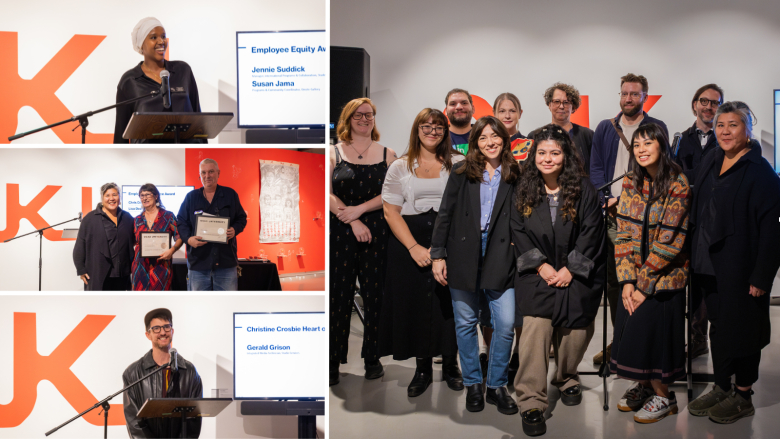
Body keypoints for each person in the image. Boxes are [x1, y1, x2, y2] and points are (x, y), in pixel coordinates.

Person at [687, 101, 780, 424]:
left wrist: (761, 277)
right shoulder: (712, 159)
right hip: (707, 264)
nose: (725, 131)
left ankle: (743, 394)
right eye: (721, 125)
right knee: (719, 330)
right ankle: (722, 385)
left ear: (747, 129)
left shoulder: (760, 172)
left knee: (744, 331)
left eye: (733, 125)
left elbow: (772, 232)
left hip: (742, 270)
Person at [511, 125, 605, 436]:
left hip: (575, 271)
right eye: (542, 153)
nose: (548, 158)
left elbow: (593, 232)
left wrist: (571, 269)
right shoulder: (523, 189)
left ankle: (566, 377)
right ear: (533, 155)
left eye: (555, 152)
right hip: (536, 272)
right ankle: (531, 399)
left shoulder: (584, 189)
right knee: (536, 327)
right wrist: (541, 267)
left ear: (565, 155)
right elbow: (518, 232)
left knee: (576, 330)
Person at [431, 116, 521, 415]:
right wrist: (438, 254)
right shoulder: (461, 171)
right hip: (462, 251)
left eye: (495, 136)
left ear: (504, 139)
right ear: (475, 143)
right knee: (465, 323)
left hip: (501, 252)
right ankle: (473, 383)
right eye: (483, 138)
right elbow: (445, 213)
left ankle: (496, 385)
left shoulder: (515, 172)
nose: (490, 142)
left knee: (505, 323)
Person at [379, 108, 464, 397]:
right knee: (414, 306)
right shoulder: (400, 166)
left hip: (450, 241)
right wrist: (414, 247)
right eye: (426, 126)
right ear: (417, 130)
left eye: (438, 127)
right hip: (409, 242)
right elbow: (390, 211)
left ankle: (451, 365)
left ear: (445, 131)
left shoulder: (460, 163)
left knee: (449, 307)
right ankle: (423, 368)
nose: (432, 131)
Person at [609, 124, 691, 424]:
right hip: (636, 278)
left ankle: (664, 396)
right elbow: (624, 235)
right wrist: (628, 281)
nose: (642, 149)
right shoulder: (631, 181)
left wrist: (644, 286)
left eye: (649, 143)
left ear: (662, 146)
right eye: (637, 144)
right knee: (631, 332)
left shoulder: (677, 183)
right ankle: (644, 387)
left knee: (653, 334)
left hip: (665, 278)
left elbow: (670, 240)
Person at [589, 73, 669, 364]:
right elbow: (596, 167)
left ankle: (641, 340)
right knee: (615, 279)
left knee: (643, 277)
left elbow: (663, 168)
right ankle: (619, 339)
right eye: (624, 93)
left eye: (634, 94)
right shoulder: (605, 128)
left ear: (645, 97)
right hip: (613, 215)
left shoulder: (656, 128)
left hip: (646, 216)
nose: (628, 99)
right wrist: (606, 199)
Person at [329, 98, 397, 386]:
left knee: (375, 298)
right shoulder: (333, 152)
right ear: (348, 118)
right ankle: (332, 362)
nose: (365, 118)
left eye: (369, 114)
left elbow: (393, 195)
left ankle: (373, 358)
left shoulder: (388, 153)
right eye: (358, 114)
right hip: (342, 232)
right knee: (338, 299)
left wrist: (361, 210)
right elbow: (325, 191)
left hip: (378, 233)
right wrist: (352, 218)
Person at [674, 83, 724, 359]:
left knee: (711, 283)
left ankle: (715, 340)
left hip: (715, 222)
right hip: (685, 220)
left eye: (714, 103)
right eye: (703, 101)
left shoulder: (725, 139)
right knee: (691, 281)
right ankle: (696, 339)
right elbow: (675, 176)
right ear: (695, 104)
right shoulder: (681, 139)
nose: (708, 107)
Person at [114, 17, 204, 144]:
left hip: (186, 152)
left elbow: (198, 119)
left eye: (163, 36)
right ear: (141, 45)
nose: (161, 41)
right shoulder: (129, 80)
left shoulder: (183, 70)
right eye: (153, 37)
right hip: (148, 158)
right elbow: (121, 134)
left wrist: (204, 152)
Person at [123, 308, 203, 438]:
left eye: (166, 327)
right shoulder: (133, 373)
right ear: (148, 335)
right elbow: (134, 422)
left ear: (172, 331)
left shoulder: (189, 371)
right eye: (156, 328)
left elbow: (193, 420)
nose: (162, 332)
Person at [177, 158, 247, 291]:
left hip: (226, 264)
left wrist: (235, 229)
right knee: (198, 306)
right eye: (203, 173)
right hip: (198, 264)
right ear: (200, 175)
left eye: (211, 172)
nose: (207, 176)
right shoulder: (191, 197)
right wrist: (188, 239)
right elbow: (181, 221)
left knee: (226, 305)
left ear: (218, 173)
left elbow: (242, 218)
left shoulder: (230, 194)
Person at [73, 182, 134, 291]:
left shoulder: (127, 217)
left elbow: (134, 241)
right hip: (98, 274)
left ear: (119, 197)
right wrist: (81, 269)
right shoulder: (90, 219)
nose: (111, 198)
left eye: (115, 194)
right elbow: (80, 245)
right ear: (102, 198)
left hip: (122, 275)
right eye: (107, 195)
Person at [528, 82, 594, 172]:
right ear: (549, 105)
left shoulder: (587, 135)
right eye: (557, 102)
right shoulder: (535, 136)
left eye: (566, 103)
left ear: (573, 107)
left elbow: (594, 169)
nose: (561, 106)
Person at [131, 184, 184, 291]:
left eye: (148, 195)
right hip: (140, 267)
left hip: (161, 267)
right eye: (141, 195)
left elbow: (179, 237)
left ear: (156, 196)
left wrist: (172, 251)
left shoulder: (168, 216)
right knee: (140, 301)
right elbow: (132, 242)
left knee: (161, 299)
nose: (144, 198)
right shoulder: (137, 219)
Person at [445, 88, 475, 154]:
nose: (459, 107)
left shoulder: (482, 135)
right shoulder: (439, 138)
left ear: (473, 109)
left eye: (464, 103)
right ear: (446, 111)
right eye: (453, 104)